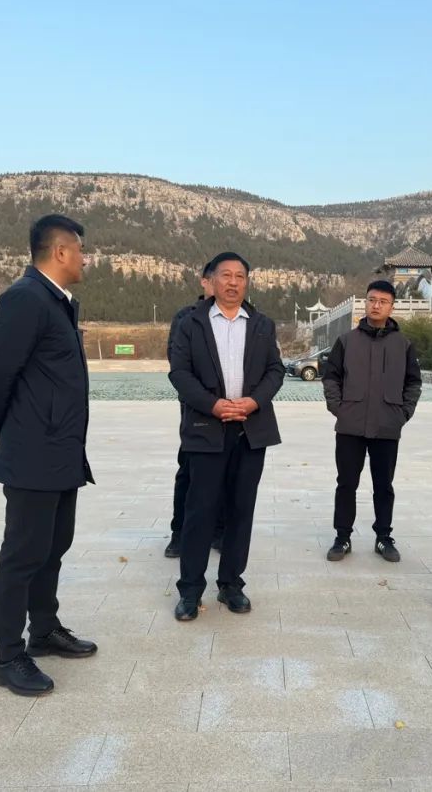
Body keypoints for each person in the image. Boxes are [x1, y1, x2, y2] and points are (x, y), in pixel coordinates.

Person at [0, 214, 98, 696]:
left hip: (62, 451)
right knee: (23, 554)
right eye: (81, 250)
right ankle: (8, 657)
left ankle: (43, 630)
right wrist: (7, 431)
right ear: (61, 252)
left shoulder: (58, 302)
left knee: (53, 547)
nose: (85, 259)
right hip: (33, 452)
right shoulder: (25, 298)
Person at [168, 251, 284, 621]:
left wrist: (254, 401)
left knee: (240, 511)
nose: (233, 282)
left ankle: (231, 584)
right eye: (226, 275)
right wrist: (214, 405)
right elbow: (179, 373)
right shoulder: (191, 323)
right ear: (211, 280)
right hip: (207, 429)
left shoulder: (262, 324)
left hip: (251, 430)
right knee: (199, 512)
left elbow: (276, 370)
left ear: (246, 282)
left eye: (240, 276)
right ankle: (190, 591)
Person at [321, 280, 422, 563]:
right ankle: (342, 537)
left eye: (383, 301)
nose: (376, 305)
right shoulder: (346, 341)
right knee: (346, 483)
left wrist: (403, 413)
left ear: (392, 306)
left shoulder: (404, 344)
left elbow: (413, 383)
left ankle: (383, 537)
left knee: (384, 485)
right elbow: (331, 377)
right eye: (371, 300)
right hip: (350, 425)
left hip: (387, 425)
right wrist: (338, 408)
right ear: (365, 302)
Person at [164, 261, 228, 558]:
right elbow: (178, 365)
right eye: (221, 277)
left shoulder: (242, 317)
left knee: (226, 472)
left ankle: (219, 530)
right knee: (189, 471)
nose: (227, 283)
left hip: (232, 411)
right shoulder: (185, 318)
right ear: (205, 282)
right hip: (197, 411)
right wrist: (207, 399)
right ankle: (180, 533)